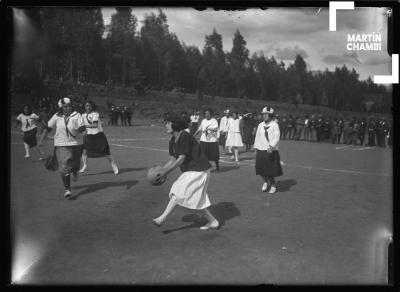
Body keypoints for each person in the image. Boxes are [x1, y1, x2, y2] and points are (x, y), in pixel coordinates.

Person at [152, 114, 219, 230]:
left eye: (168, 123)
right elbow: (173, 159)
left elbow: (181, 158)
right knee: (194, 202)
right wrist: (161, 171)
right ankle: (213, 221)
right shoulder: (172, 141)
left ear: (175, 124)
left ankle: (161, 218)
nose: (166, 125)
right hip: (191, 171)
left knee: (177, 191)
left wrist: (165, 173)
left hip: (199, 170)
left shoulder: (184, 136)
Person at [38, 97, 86, 198]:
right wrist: (41, 140)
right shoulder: (56, 116)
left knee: (75, 164)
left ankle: (75, 171)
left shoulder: (77, 115)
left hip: (76, 144)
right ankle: (67, 189)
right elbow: (48, 128)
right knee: (64, 167)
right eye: (65, 107)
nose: (68, 108)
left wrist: (82, 134)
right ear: (61, 108)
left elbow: (83, 129)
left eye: (69, 106)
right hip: (61, 145)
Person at [79, 101, 119, 175]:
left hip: (98, 136)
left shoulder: (95, 114)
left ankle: (113, 165)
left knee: (106, 153)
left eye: (89, 106)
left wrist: (84, 126)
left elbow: (94, 125)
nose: (88, 107)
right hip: (88, 136)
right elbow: (80, 125)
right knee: (84, 151)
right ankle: (85, 165)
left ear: (92, 106)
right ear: (84, 107)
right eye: (87, 106)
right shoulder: (82, 115)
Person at [254, 106, 283, 194]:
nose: (264, 116)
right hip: (260, 149)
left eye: (266, 114)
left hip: (270, 150)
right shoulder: (260, 125)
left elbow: (277, 137)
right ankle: (265, 181)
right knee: (260, 168)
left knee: (270, 170)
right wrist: (256, 147)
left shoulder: (275, 125)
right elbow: (257, 137)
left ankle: (273, 185)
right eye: (263, 114)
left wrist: (271, 146)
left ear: (270, 115)